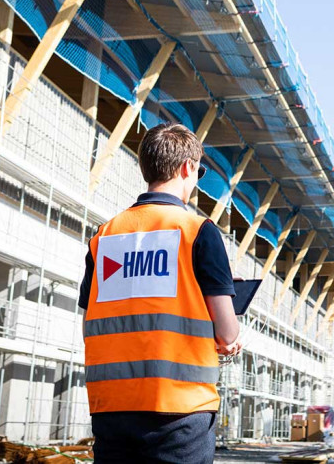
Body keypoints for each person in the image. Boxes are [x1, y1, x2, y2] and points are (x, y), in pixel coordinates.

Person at [77, 123, 241, 464]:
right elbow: (226, 331)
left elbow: (89, 322)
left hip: (112, 408)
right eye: (198, 172)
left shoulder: (105, 235)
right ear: (188, 167)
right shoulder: (197, 231)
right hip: (180, 409)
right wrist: (229, 341)